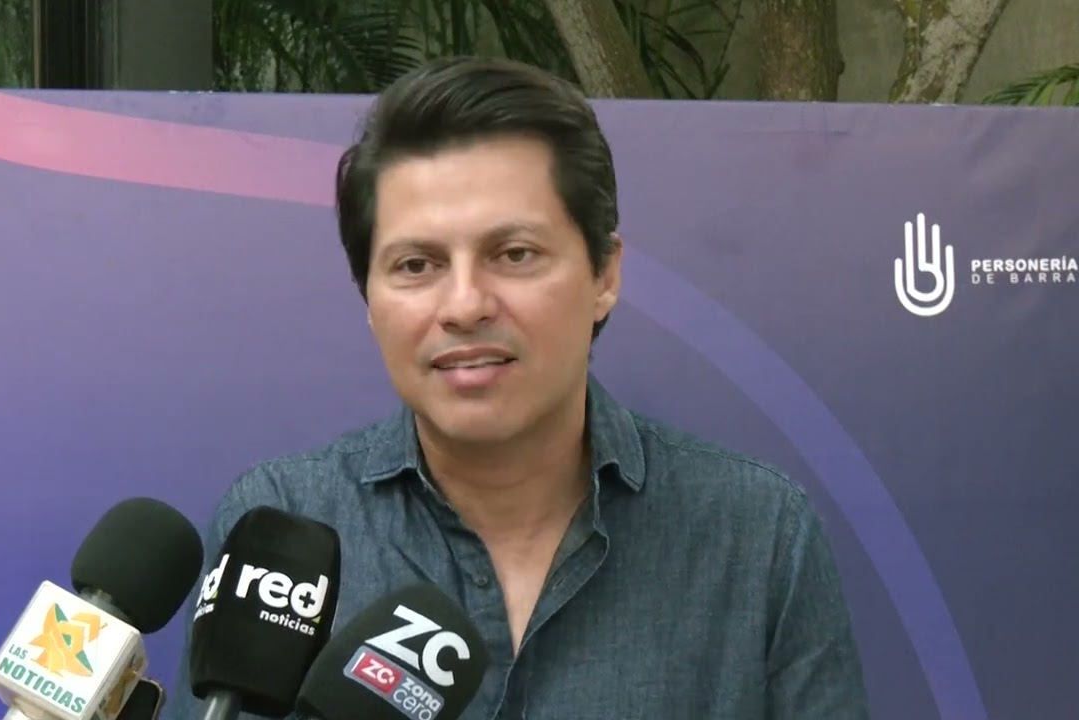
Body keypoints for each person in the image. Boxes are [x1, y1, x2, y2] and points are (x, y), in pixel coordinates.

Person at [165, 55, 870, 719]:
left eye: (514, 254)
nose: (465, 305)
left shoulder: (758, 534)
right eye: (416, 265)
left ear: (604, 275)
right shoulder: (285, 527)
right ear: (368, 299)